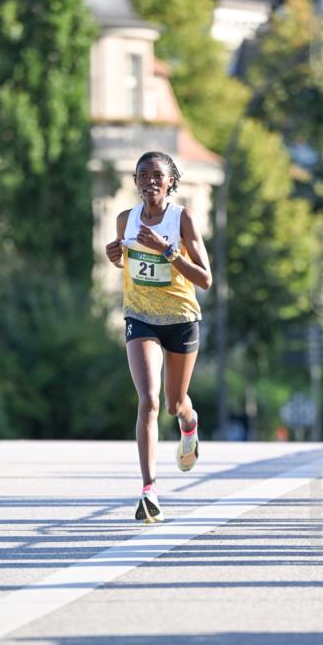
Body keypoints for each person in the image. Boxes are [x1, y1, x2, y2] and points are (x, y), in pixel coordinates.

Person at [105, 151, 212, 523]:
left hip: (181, 318)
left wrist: (168, 251)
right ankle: (149, 490)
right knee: (148, 400)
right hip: (140, 317)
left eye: (156, 176)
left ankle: (189, 422)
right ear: (135, 182)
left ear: (170, 182)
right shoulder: (125, 220)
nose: (149, 181)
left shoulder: (182, 219)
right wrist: (115, 255)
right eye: (142, 175)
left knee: (172, 403)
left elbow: (205, 278)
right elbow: (126, 262)